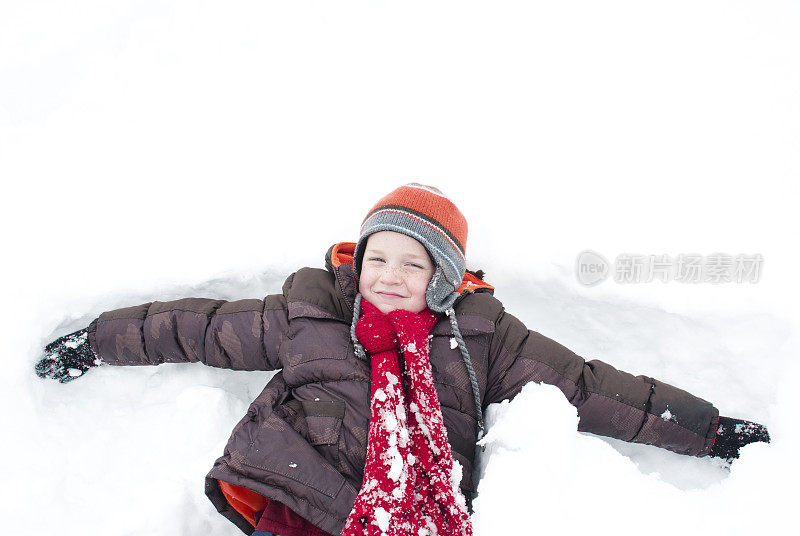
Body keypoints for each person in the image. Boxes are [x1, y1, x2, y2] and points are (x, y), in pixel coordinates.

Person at [35, 183, 770, 536]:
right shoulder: (313, 310)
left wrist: (705, 432)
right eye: (375, 256)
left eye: (409, 264)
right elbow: (199, 328)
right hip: (298, 495)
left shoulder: (484, 338)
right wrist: (97, 341)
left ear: (443, 281)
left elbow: (587, 388)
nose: (386, 275)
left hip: (411, 518)